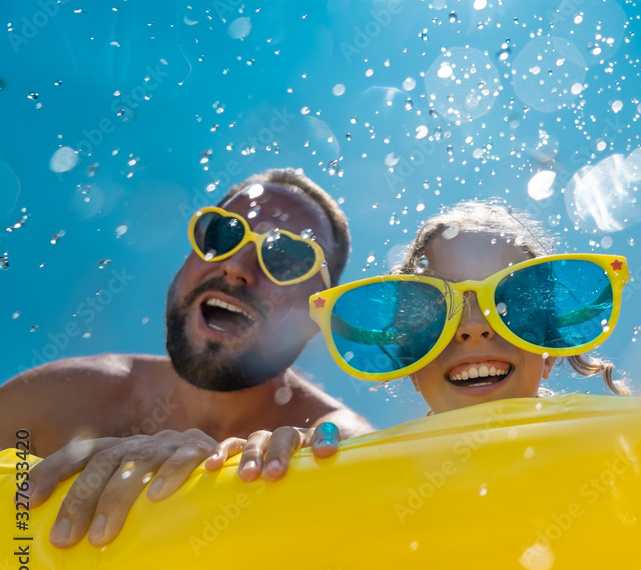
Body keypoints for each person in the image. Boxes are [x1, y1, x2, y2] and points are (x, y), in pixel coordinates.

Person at [2, 168, 373, 547]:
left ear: (316, 315)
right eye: (222, 235)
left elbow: (358, 458)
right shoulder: (55, 399)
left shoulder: (330, 433)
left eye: (287, 258)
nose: (236, 266)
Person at [309, 200, 631, 413]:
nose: (474, 327)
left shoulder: (611, 450)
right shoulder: (378, 483)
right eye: (435, 311)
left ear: (548, 351)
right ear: (412, 367)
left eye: (511, 304)